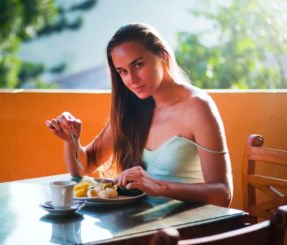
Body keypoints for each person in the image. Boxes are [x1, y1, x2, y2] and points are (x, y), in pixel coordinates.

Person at [46, 22, 233, 207]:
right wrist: (71, 140)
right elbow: (85, 167)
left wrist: (160, 187)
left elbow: (223, 194)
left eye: (138, 65)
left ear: (163, 56)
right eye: (123, 72)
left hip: (191, 228)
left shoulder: (197, 107)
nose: (132, 80)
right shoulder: (132, 108)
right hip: (142, 223)